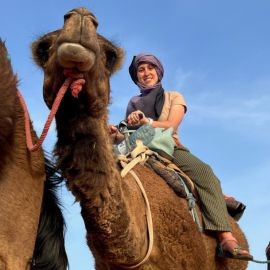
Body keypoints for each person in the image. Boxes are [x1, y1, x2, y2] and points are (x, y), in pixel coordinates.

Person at [109, 53, 252, 260]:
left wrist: (146, 122)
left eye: (150, 68)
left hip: (169, 146)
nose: (146, 73)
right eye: (141, 70)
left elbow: (171, 125)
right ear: (136, 76)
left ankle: (225, 237)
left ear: (158, 71)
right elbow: (129, 136)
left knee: (205, 173)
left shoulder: (174, 97)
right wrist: (116, 134)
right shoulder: (133, 103)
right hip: (138, 150)